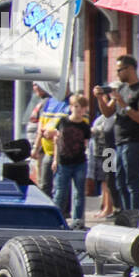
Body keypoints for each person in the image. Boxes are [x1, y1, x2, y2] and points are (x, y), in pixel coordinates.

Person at [95, 55, 139, 211]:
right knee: (119, 181)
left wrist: (123, 104)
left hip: (134, 141)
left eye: (120, 70)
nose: (117, 74)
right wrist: (100, 98)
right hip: (119, 141)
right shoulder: (121, 88)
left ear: (130, 69)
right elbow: (107, 112)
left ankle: (136, 215)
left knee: (132, 181)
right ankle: (126, 214)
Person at [46, 93, 91, 228]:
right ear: (71, 107)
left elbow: (86, 143)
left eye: (82, 107)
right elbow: (56, 140)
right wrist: (55, 160)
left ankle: (77, 221)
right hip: (63, 162)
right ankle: (55, 220)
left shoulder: (85, 126)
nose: (78, 110)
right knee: (60, 193)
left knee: (79, 193)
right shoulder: (63, 122)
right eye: (76, 106)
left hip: (79, 162)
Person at [34, 85, 70, 196]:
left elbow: (76, 127)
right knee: (45, 185)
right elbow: (41, 125)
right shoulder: (50, 102)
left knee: (62, 187)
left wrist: (54, 132)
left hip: (64, 153)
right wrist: (36, 147)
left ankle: (63, 212)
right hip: (48, 152)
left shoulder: (72, 102)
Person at [88, 102, 118, 220]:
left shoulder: (114, 117)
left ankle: (109, 208)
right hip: (99, 152)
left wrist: (94, 130)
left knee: (108, 181)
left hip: (109, 151)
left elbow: (103, 130)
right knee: (103, 181)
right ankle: (105, 206)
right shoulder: (102, 117)